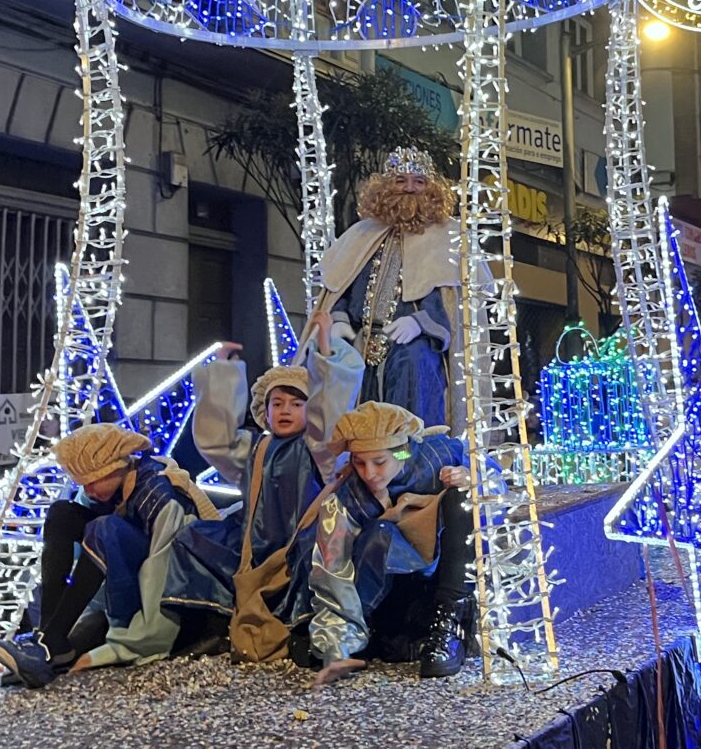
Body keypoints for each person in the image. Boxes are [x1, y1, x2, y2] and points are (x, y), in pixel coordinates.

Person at [0, 423, 221, 688]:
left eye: (92, 481)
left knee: (103, 528)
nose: (88, 491)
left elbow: (163, 573)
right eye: (83, 484)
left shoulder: (160, 496)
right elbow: (81, 558)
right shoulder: (109, 492)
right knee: (62, 513)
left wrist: (122, 648)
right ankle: (46, 641)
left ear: (116, 467)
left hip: (180, 601)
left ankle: (49, 647)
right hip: (125, 580)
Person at [164, 341, 359, 660]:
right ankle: (215, 628)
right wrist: (223, 370)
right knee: (193, 539)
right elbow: (218, 441)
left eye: (297, 404)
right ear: (264, 411)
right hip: (252, 542)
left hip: (301, 538)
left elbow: (330, 418)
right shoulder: (255, 448)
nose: (285, 410)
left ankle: (303, 632)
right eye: (277, 403)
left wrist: (326, 353)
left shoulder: (317, 447)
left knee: (318, 554)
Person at [308, 402, 475, 686]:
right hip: (387, 592)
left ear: (400, 452)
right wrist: (338, 644)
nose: (370, 473)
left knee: (464, 497)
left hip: (445, 575)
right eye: (359, 463)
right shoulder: (347, 499)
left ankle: (451, 626)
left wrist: (474, 477)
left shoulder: (436, 454)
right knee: (380, 534)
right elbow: (331, 570)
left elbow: (500, 481)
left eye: (379, 462)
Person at [313, 148, 463, 431]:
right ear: (384, 187)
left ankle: (407, 458)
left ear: (431, 188)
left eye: (418, 181)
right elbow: (340, 285)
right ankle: (354, 464)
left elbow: (454, 302)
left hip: (414, 343)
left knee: (413, 368)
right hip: (361, 338)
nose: (409, 188)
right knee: (350, 395)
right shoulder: (362, 234)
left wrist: (421, 323)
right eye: (400, 180)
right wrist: (340, 321)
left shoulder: (448, 236)